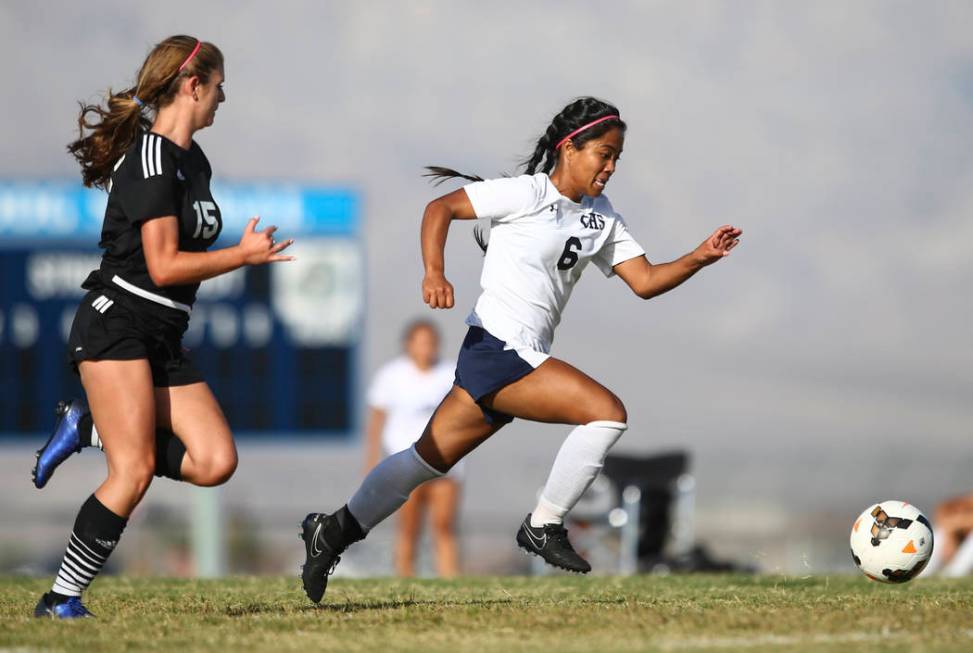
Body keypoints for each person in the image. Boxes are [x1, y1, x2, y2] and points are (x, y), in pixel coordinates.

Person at [298, 96, 741, 603]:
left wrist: (700, 258)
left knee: (424, 461)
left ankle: (329, 532)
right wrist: (434, 272)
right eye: (604, 153)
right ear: (569, 148)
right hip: (498, 347)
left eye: (618, 156)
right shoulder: (525, 193)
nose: (612, 166)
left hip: (511, 354)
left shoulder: (602, 217)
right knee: (606, 414)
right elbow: (439, 208)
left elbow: (644, 281)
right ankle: (543, 525)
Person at [31, 35, 294, 619]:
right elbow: (163, 266)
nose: (224, 98)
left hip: (163, 335)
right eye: (219, 85)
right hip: (117, 324)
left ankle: (88, 426)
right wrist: (241, 257)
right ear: (192, 84)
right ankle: (61, 599)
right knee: (134, 472)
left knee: (214, 460)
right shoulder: (151, 157)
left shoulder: (193, 160)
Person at [364, 320, 461, 577]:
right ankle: (406, 577)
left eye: (430, 341)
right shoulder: (392, 375)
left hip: (445, 464)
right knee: (408, 526)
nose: (425, 347)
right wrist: (372, 459)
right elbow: (376, 420)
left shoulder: (451, 373)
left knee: (444, 525)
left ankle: (450, 578)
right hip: (406, 463)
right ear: (408, 345)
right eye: (420, 341)